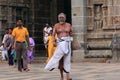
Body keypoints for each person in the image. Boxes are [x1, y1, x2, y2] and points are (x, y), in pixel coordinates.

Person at [45, 13, 73, 80]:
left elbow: (71, 33)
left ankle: (68, 76)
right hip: (60, 44)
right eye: (60, 17)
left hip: (67, 43)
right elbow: (53, 35)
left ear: (65, 18)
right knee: (60, 60)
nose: (61, 18)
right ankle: (61, 76)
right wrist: (54, 41)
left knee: (67, 60)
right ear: (58, 18)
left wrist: (71, 38)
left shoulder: (68, 25)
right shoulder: (56, 26)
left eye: (62, 17)